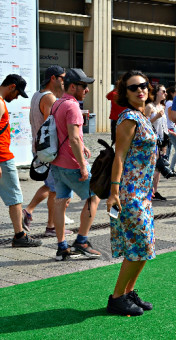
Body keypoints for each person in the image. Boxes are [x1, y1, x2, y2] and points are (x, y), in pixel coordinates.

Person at [106, 70, 157, 316]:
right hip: (129, 191)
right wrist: (114, 191)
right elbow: (119, 154)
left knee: (145, 246)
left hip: (143, 192)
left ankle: (128, 292)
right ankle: (117, 297)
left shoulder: (141, 114)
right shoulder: (128, 117)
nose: (141, 90)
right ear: (124, 93)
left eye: (144, 85)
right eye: (134, 87)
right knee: (140, 244)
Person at [50, 68, 102, 261]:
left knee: (60, 201)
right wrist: (82, 164)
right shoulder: (72, 106)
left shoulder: (57, 104)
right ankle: (81, 241)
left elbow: (66, 135)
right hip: (72, 163)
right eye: (84, 86)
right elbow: (73, 138)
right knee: (94, 196)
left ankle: (62, 247)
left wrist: (83, 146)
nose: (87, 90)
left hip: (56, 162)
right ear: (73, 86)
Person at [24, 65, 75, 237]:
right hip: (49, 150)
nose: (64, 80)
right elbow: (51, 126)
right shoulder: (49, 98)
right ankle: (51, 227)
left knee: (50, 186)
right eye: (62, 77)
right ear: (53, 78)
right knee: (55, 189)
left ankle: (29, 211)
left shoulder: (37, 94)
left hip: (39, 147)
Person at [0, 74, 41, 247]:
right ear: (11, 87)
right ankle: (19, 235)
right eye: (17, 93)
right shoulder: (0, 102)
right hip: (2, 158)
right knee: (15, 198)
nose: (16, 97)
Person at [145, 84, 168, 201]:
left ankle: (155, 190)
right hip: (152, 140)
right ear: (156, 92)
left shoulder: (162, 106)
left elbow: (164, 125)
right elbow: (145, 123)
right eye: (163, 91)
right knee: (152, 166)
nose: (165, 93)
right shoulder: (149, 106)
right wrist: (156, 117)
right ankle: (149, 191)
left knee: (158, 167)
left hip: (161, 140)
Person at [106, 79, 127, 144]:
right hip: (124, 116)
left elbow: (107, 96)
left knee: (114, 130)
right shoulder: (125, 94)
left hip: (115, 116)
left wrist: (114, 89)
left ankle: (114, 140)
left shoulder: (113, 93)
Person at [164, 86, 176, 175]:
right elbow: (171, 117)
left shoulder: (167, 102)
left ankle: (168, 168)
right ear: (171, 93)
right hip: (170, 128)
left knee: (169, 148)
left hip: (169, 127)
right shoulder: (170, 103)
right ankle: (171, 168)